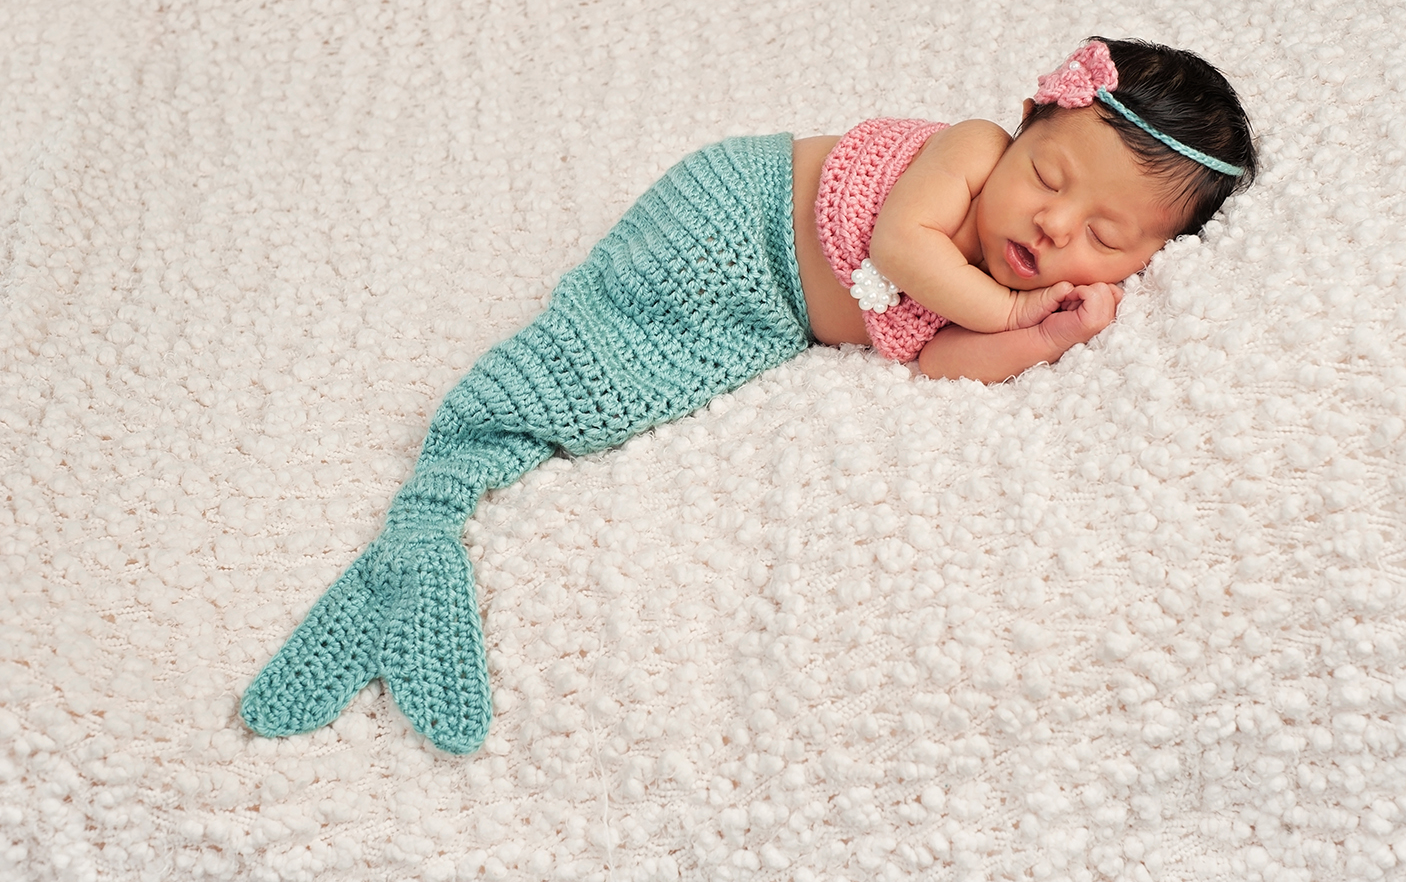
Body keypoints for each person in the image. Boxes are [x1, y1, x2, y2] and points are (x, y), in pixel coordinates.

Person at [240, 37, 1258, 754]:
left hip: (764, 305)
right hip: (737, 221)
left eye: (1105, 236)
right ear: (1031, 120)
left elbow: (933, 362)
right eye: (1050, 175)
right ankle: (432, 509)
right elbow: (903, 249)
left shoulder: (1020, 287)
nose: (1052, 224)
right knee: (586, 375)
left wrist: (1048, 333)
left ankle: (415, 560)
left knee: (611, 388)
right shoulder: (968, 150)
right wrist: (1005, 311)